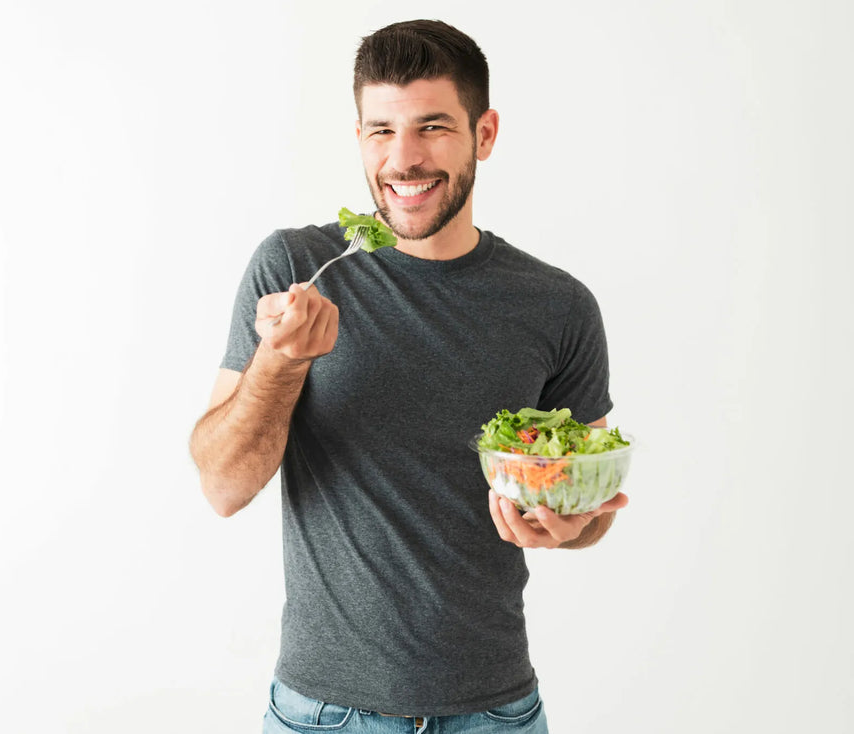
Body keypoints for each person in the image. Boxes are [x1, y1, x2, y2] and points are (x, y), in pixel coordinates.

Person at [189, 19, 628, 733]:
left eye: (432, 128)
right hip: (322, 715)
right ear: (359, 135)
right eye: (381, 131)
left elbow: (584, 502)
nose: (404, 159)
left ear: (484, 135)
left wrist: (571, 526)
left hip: (496, 713)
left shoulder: (558, 306)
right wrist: (280, 361)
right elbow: (222, 486)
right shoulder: (294, 272)